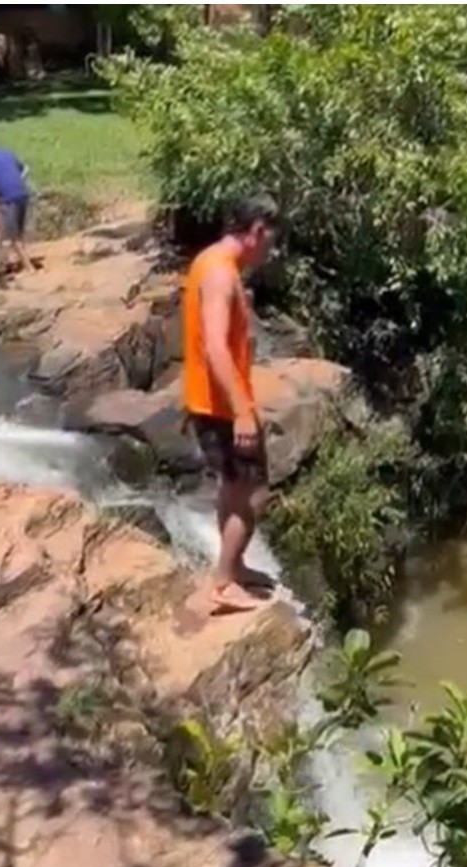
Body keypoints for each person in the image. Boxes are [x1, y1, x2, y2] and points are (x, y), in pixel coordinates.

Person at [181, 194, 280, 614]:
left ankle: (234, 567)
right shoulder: (222, 274)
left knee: (233, 487)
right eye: (271, 239)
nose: (272, 249)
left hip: (210, 401)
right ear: (257, 230)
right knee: (251, 492)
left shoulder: (210, 261)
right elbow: (216, 349)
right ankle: (222, 583)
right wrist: (242, 410)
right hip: (222, 406)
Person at [0, 127, 32, 276]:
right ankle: (11, 263)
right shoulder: (6, 152)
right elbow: (26, 169)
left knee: (12, 238)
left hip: (7, 198)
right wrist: (18, 182)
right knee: (14, 234)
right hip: (23, 194)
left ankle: (30, 269)